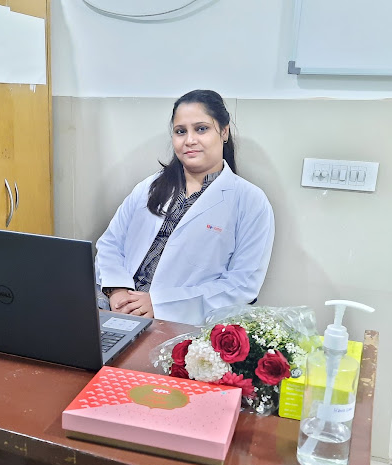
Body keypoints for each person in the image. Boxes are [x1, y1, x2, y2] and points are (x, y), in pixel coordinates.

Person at [95, 89, 275, 325]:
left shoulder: (250, 201)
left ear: (224, 131)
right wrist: (117, 290)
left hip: (178, 324)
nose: (189, 140)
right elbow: (110, 243)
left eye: (201, 129)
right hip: (112, 307)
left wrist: (159, 304)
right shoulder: (148, 187)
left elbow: (242, 285)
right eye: (181, 131)